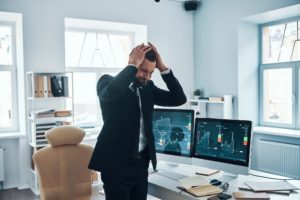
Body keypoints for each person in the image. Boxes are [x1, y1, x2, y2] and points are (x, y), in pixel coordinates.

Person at [88, 42, 186, 200]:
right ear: (131, 61)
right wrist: (133, 64)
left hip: (141, 165)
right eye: (143, 70)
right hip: (115, 165)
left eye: (151, 72)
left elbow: (179, 98)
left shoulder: (148, 88)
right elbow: (114, 92)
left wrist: (163, 69)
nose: (146, 76)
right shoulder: (106, 82)